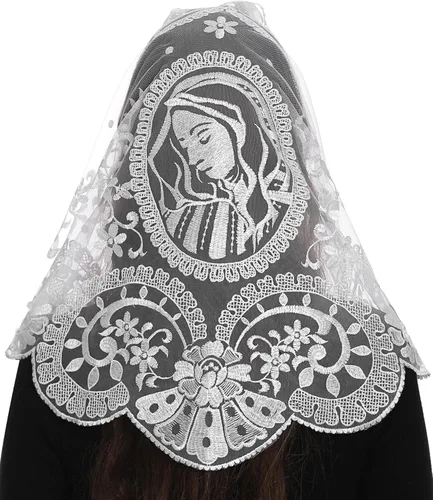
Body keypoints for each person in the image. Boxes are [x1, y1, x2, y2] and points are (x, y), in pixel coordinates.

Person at [1, 2, 432, 499]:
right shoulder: (361, 365)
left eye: (202, 135)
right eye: (178, 144)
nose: (191, 156)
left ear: (248, 131)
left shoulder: (72, 362)